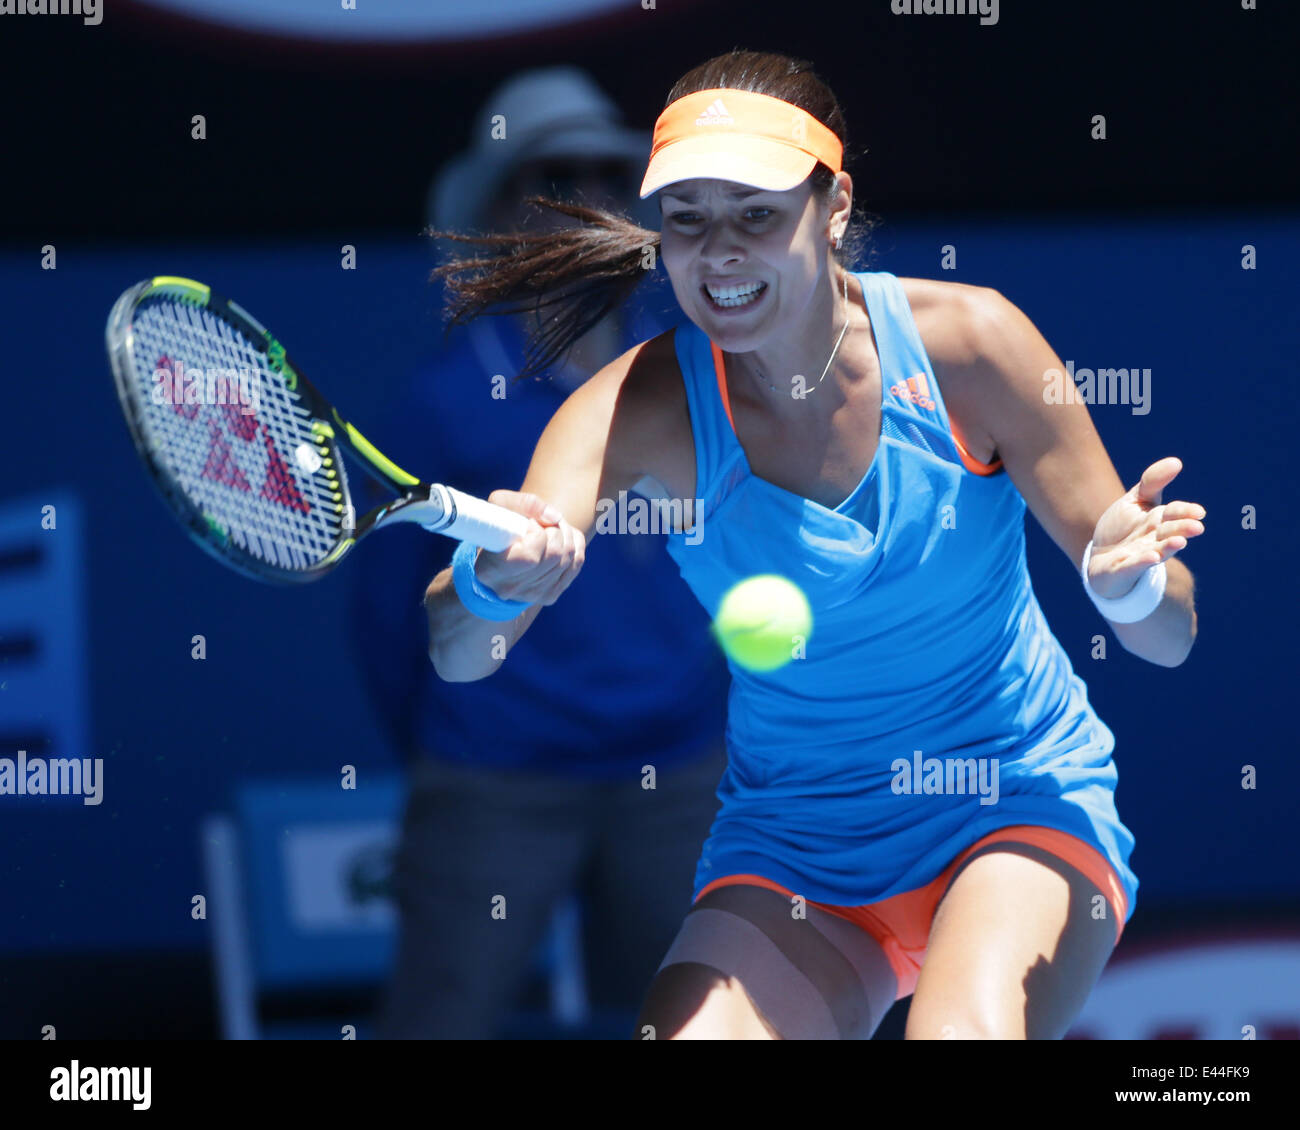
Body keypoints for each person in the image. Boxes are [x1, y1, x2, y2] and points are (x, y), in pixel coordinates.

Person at [422, 48, 1205, 1040]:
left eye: (757, 213)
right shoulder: (636, 406)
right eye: (688, 218)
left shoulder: (973, 346)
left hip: (1017, 807)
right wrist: (493, 584)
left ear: (833, 208)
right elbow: (460, 651)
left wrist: (1129, 587)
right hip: (796, 853)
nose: (719, 251)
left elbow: (1167, 636)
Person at [351, 67, 729, 1040]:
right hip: (495, 781)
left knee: (695, 1027)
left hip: (678, 773)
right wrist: (455, 749)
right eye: (553, 172)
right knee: (440, 1022)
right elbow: (394, 623)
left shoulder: (688, 371)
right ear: (499, 209)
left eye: (609, 172)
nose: (588, 197)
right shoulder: (440, 402)